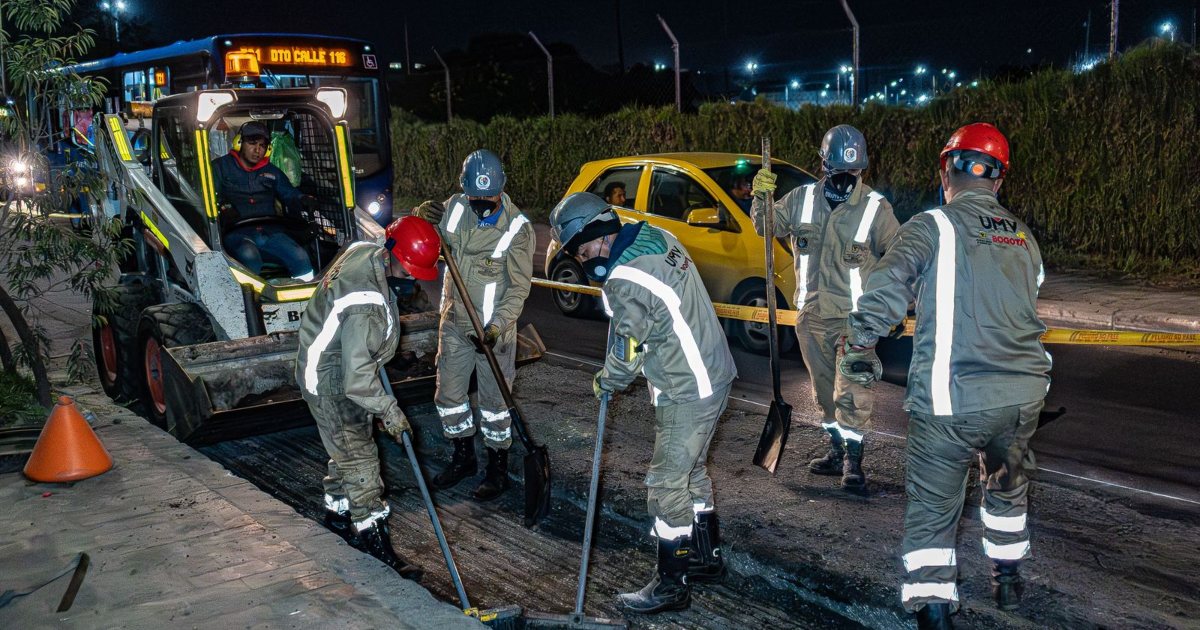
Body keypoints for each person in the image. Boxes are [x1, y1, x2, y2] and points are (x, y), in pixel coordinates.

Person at [839, 123, 1051, 629]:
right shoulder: (1024, 238)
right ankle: (1007, 582)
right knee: (1006, 487)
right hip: (1022, 399)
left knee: (933, 514)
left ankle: (934, 613)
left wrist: (861, 343)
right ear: (998, 182)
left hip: (951, 403)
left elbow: (888, 286)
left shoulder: (932, 224)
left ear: (945, 172)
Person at [549, 192, 737, 614]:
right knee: (690, 474)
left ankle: (672, 583)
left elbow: (628, 349)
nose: (583, 262)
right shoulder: (656, 237)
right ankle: (706, 560)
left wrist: (608, 380)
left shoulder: (623, 278)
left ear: (596, 236)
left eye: (581, 251)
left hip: (686, 387)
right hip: (715, 372)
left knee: (666, 483)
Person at [750, 124, 900, 491]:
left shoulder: (876, 208)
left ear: (861, 169)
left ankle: (854, 463)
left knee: (853, 392)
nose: (845, 181)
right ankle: (836, 450)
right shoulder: (800, 199)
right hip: (812, 319)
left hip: (856, 322)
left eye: (852, 173)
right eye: (838, 173)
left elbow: (900, 260)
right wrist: (761, 197)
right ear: (823, 165)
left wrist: (893, 307)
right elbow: (765, 226)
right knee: (823, 393)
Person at [295, 215, 442, 581]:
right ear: (391, 253)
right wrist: (389, 411)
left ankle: (336, 516)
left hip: (336, 365)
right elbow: (356, 379)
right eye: (409, 272)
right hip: (333, 381)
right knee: (361, 463)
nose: (411, 280)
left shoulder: (366, 250)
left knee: (345, 451)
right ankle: (377, 547)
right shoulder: (366, 307)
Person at [412, 149, 535, 502]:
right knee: (449, 398)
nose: (482, 204)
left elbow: (518, 289)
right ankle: (463, 456)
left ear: (502, 189)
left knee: (495, 406)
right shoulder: (453, 209)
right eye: (475, 198)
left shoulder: (518, 228)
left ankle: (496, 468)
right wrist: (422, 217)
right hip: (454, 322)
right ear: (465, 189)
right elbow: (429, 241)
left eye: (489, 198)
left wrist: (496, 327)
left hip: (493, 334)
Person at [212, 121, 315, 281]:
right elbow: (211, 195)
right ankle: (249, 302)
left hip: (270, 233)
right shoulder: (220, 167)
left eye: (262, 145)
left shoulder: (272, 171)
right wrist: (224, 207)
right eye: (252, 143)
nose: (257, 150)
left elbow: (289, 194)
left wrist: (303, 199)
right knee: (249, 255)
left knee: (300, 256)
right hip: (237, 233)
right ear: (239, 143)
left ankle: (307, 297)